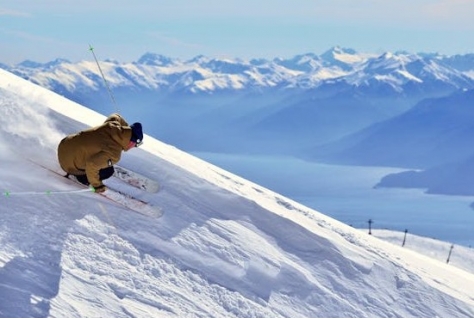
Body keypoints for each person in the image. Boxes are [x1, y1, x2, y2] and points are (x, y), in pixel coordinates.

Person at [57, 113, 143, 193]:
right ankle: (79, 177)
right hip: (68, 165)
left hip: (64, 144)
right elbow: (91, 164)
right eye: (136, 145)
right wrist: (97, 186)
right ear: (133, 141)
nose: (133, 147)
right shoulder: (114, 154)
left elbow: (116, 116)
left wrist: (125, 129)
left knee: (96, 154)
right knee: (108, 171)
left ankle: (93, 164)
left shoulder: (112, 125)